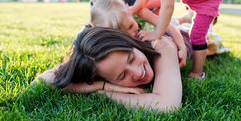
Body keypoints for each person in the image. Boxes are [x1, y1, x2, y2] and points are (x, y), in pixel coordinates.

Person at [34, 26, 182, 112]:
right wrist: (102, 87)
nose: (138, 73)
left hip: (183, 33)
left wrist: (102, 94)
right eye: (122, 76)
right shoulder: (95, 64)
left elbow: (168, 105)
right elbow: (42, 81)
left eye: (131, 58)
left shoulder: (161, 45)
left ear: (129, 42)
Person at [90, 0, 192, 64]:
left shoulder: (137, 11)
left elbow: (169, 27)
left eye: (130, 26)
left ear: (128, 9)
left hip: (171, 33)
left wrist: (182, 48)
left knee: (189, 34)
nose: (131, 33)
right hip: (157, 39)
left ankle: (188, 19)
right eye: (124, 35)